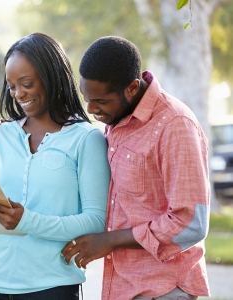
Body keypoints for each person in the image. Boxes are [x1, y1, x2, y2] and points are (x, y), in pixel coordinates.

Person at [61, 36, 210, 300]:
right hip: (123, 286)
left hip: (163, 289)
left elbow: (191, 223)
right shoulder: (117, 120)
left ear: (131, 88)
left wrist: (110, 240)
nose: (91, 109)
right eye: (87, 98)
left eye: (101, 101)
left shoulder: (175, 125)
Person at [0, 32, 111, 300]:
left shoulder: (87, 139)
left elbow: (95, 220)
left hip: (52, 286)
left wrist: (27, 221)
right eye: (12, 86)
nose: (18, 94)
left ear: (51, 78)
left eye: (26, 83)